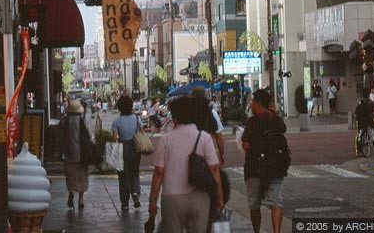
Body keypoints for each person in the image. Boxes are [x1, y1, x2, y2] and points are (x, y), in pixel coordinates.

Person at [148, 95, 224, 232]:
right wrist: (219, 197)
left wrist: (152, 200)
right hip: (200, 197)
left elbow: (159, 172)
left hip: (172, 198)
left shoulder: (166, 139)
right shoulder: (204, 138)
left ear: (175, 116)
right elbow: (214, 169)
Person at [241, 89, 286, 233]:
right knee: (276, 202)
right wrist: (274, 113)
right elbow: (283, 129)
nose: (251, 104)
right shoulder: (275, 120)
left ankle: (257, 231)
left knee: (254, 204)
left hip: (255, 166)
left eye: (253, 102)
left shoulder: (252, 122)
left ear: (258, 104)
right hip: (276, 165)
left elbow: (246, 145)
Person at [111, 95, 142, 212]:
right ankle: (135, 193)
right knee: (134, 172)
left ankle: (125, 203)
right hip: (135, 148)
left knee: (123, 176)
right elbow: (141, 132)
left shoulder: (116, 121)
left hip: (122, 148)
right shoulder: (137, 118)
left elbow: (114, 138)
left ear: (119, 107)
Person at [59, 99, 89, 209]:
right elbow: (89, 136)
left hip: (68, 154)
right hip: (82, 153)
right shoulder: (83, 120)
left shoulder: (64, 121)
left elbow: (60, 138)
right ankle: (81, 199)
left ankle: (71, 192)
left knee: (71, 176)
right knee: (82, 176)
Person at [355, 88, 374, 157]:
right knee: (372, 129)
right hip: (368, 121)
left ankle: (358, 151)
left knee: (359, 135)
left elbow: (356, 111)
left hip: (360, 121)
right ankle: (371, 141)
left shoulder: (360, 102)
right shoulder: (370, 103)